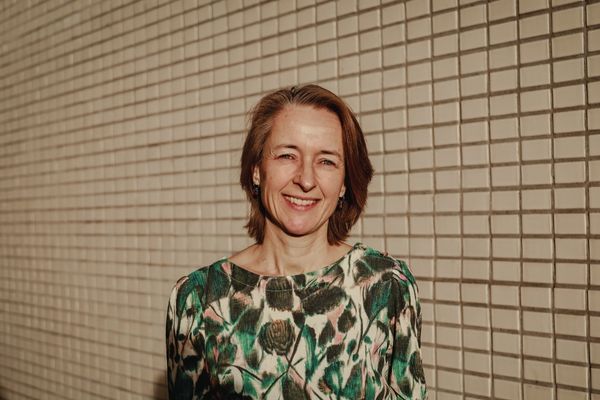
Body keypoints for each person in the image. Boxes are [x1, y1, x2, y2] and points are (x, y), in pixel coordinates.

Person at [165, 84, 427, 399]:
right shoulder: (198, 297)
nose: (305, 179)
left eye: (326, 161)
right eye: (287, 155)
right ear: (257, 169)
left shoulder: (385, 286)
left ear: (344, 183)